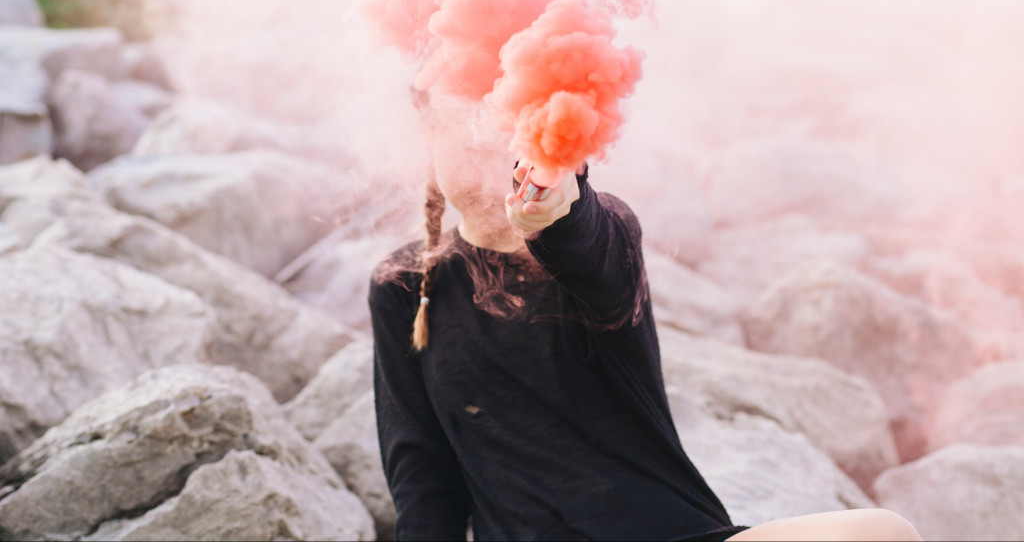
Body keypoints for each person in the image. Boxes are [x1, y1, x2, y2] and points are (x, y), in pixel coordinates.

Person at [368, 102, 922, 541]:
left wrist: (563, 208)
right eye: (466, 136)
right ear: (430, 146)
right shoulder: (403, 284)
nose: (489, 154)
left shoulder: (598, 231)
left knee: (883, 532)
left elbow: (589, 246)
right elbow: (423, 477)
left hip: (672, 531)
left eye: (504, 132)